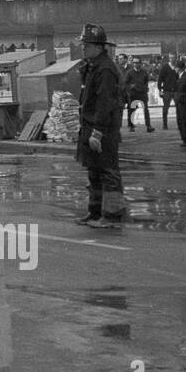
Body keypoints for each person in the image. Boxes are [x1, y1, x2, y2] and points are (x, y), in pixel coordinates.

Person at [75, 24, 125, 229]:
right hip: (90, 126)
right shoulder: (92, 66)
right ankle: (95, 212)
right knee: (94, 172)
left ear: (97, 46)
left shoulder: (105, 69)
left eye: (86, 44)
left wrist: (97, 132)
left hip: (103, 129)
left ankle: (112, 216)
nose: (83, 48)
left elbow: (105, 103)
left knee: (108, 172)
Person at [123, 55, 154, 133]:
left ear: (140, 63)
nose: (135, 64)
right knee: (131, 110)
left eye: (137, 62)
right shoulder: (129, 73)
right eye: (134, 63)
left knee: (146, 110)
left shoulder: (144, 72)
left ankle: (148, 126)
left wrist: (146, 88)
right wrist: (131, 86)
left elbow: (146, 81)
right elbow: (125, 84)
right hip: (133, 94)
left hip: (143, 94)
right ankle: (131, 125)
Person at [158, 55, 179, 131]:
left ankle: (179, 124)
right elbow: (160, 79)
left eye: (174, 58)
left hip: (176, 90)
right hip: (167, 90)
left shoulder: (177, 67)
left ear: (176, 58)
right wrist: (160, 90)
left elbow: (180, 78)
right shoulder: (164, 67)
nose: (172, 59)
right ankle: (165, 124)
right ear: (169, 59)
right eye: (171, 58)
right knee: (165, 108)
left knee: (179, 108)